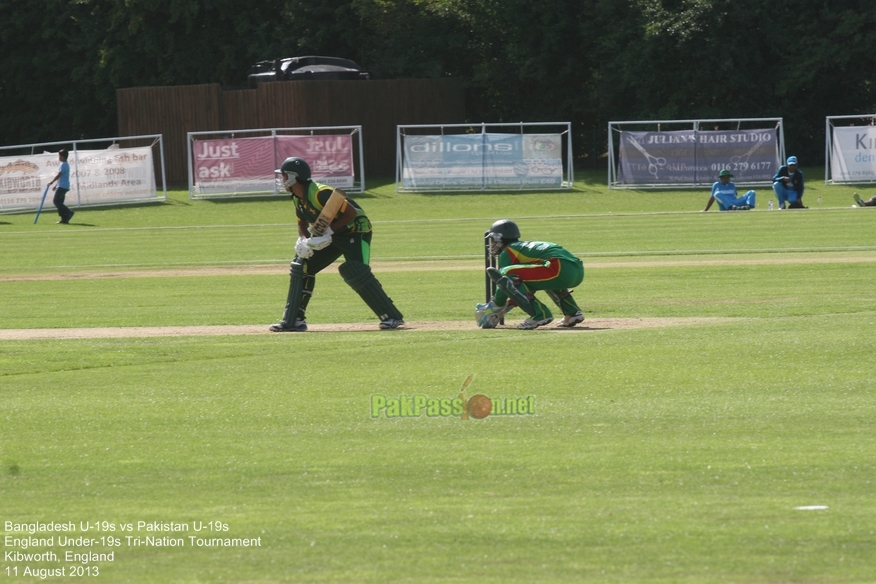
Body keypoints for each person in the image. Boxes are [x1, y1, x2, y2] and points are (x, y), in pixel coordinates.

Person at [269, 156, 404, 332]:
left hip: (356, 232)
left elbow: (351, 213)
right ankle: (294, 319)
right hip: (330, 234)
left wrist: (329, 232)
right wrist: (304, 241)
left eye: (285, 176)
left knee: (356, 271)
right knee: (302, 264)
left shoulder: (320, 193)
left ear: (295, 176)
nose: (282, 180)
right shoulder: (297, 197)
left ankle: (392, 317)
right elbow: (302, 223)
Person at [476, 219, 585, 330]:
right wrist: (505, 308)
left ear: (499, 238)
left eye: (493, 240)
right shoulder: (522, 246)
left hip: (558, 269)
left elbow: (505, 282)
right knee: (533, 278)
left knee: (507, 272)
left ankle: (540, 315)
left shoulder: (508, 251)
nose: (492, 244)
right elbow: (522, 287)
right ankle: (572, 312)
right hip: (576, 271)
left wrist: (495, 306)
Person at [46, 149, 74, 223]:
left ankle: (68, 212)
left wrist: (51, 182)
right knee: (60, 202)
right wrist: (56, 185)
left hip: (62, 186)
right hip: (63, 185)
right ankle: (64, 219)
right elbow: (62, 177)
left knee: (56, 201)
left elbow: (59, 175)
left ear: (63, 157)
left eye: (60, 156)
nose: (59, 157)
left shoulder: (63, 164)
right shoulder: (65, 164)